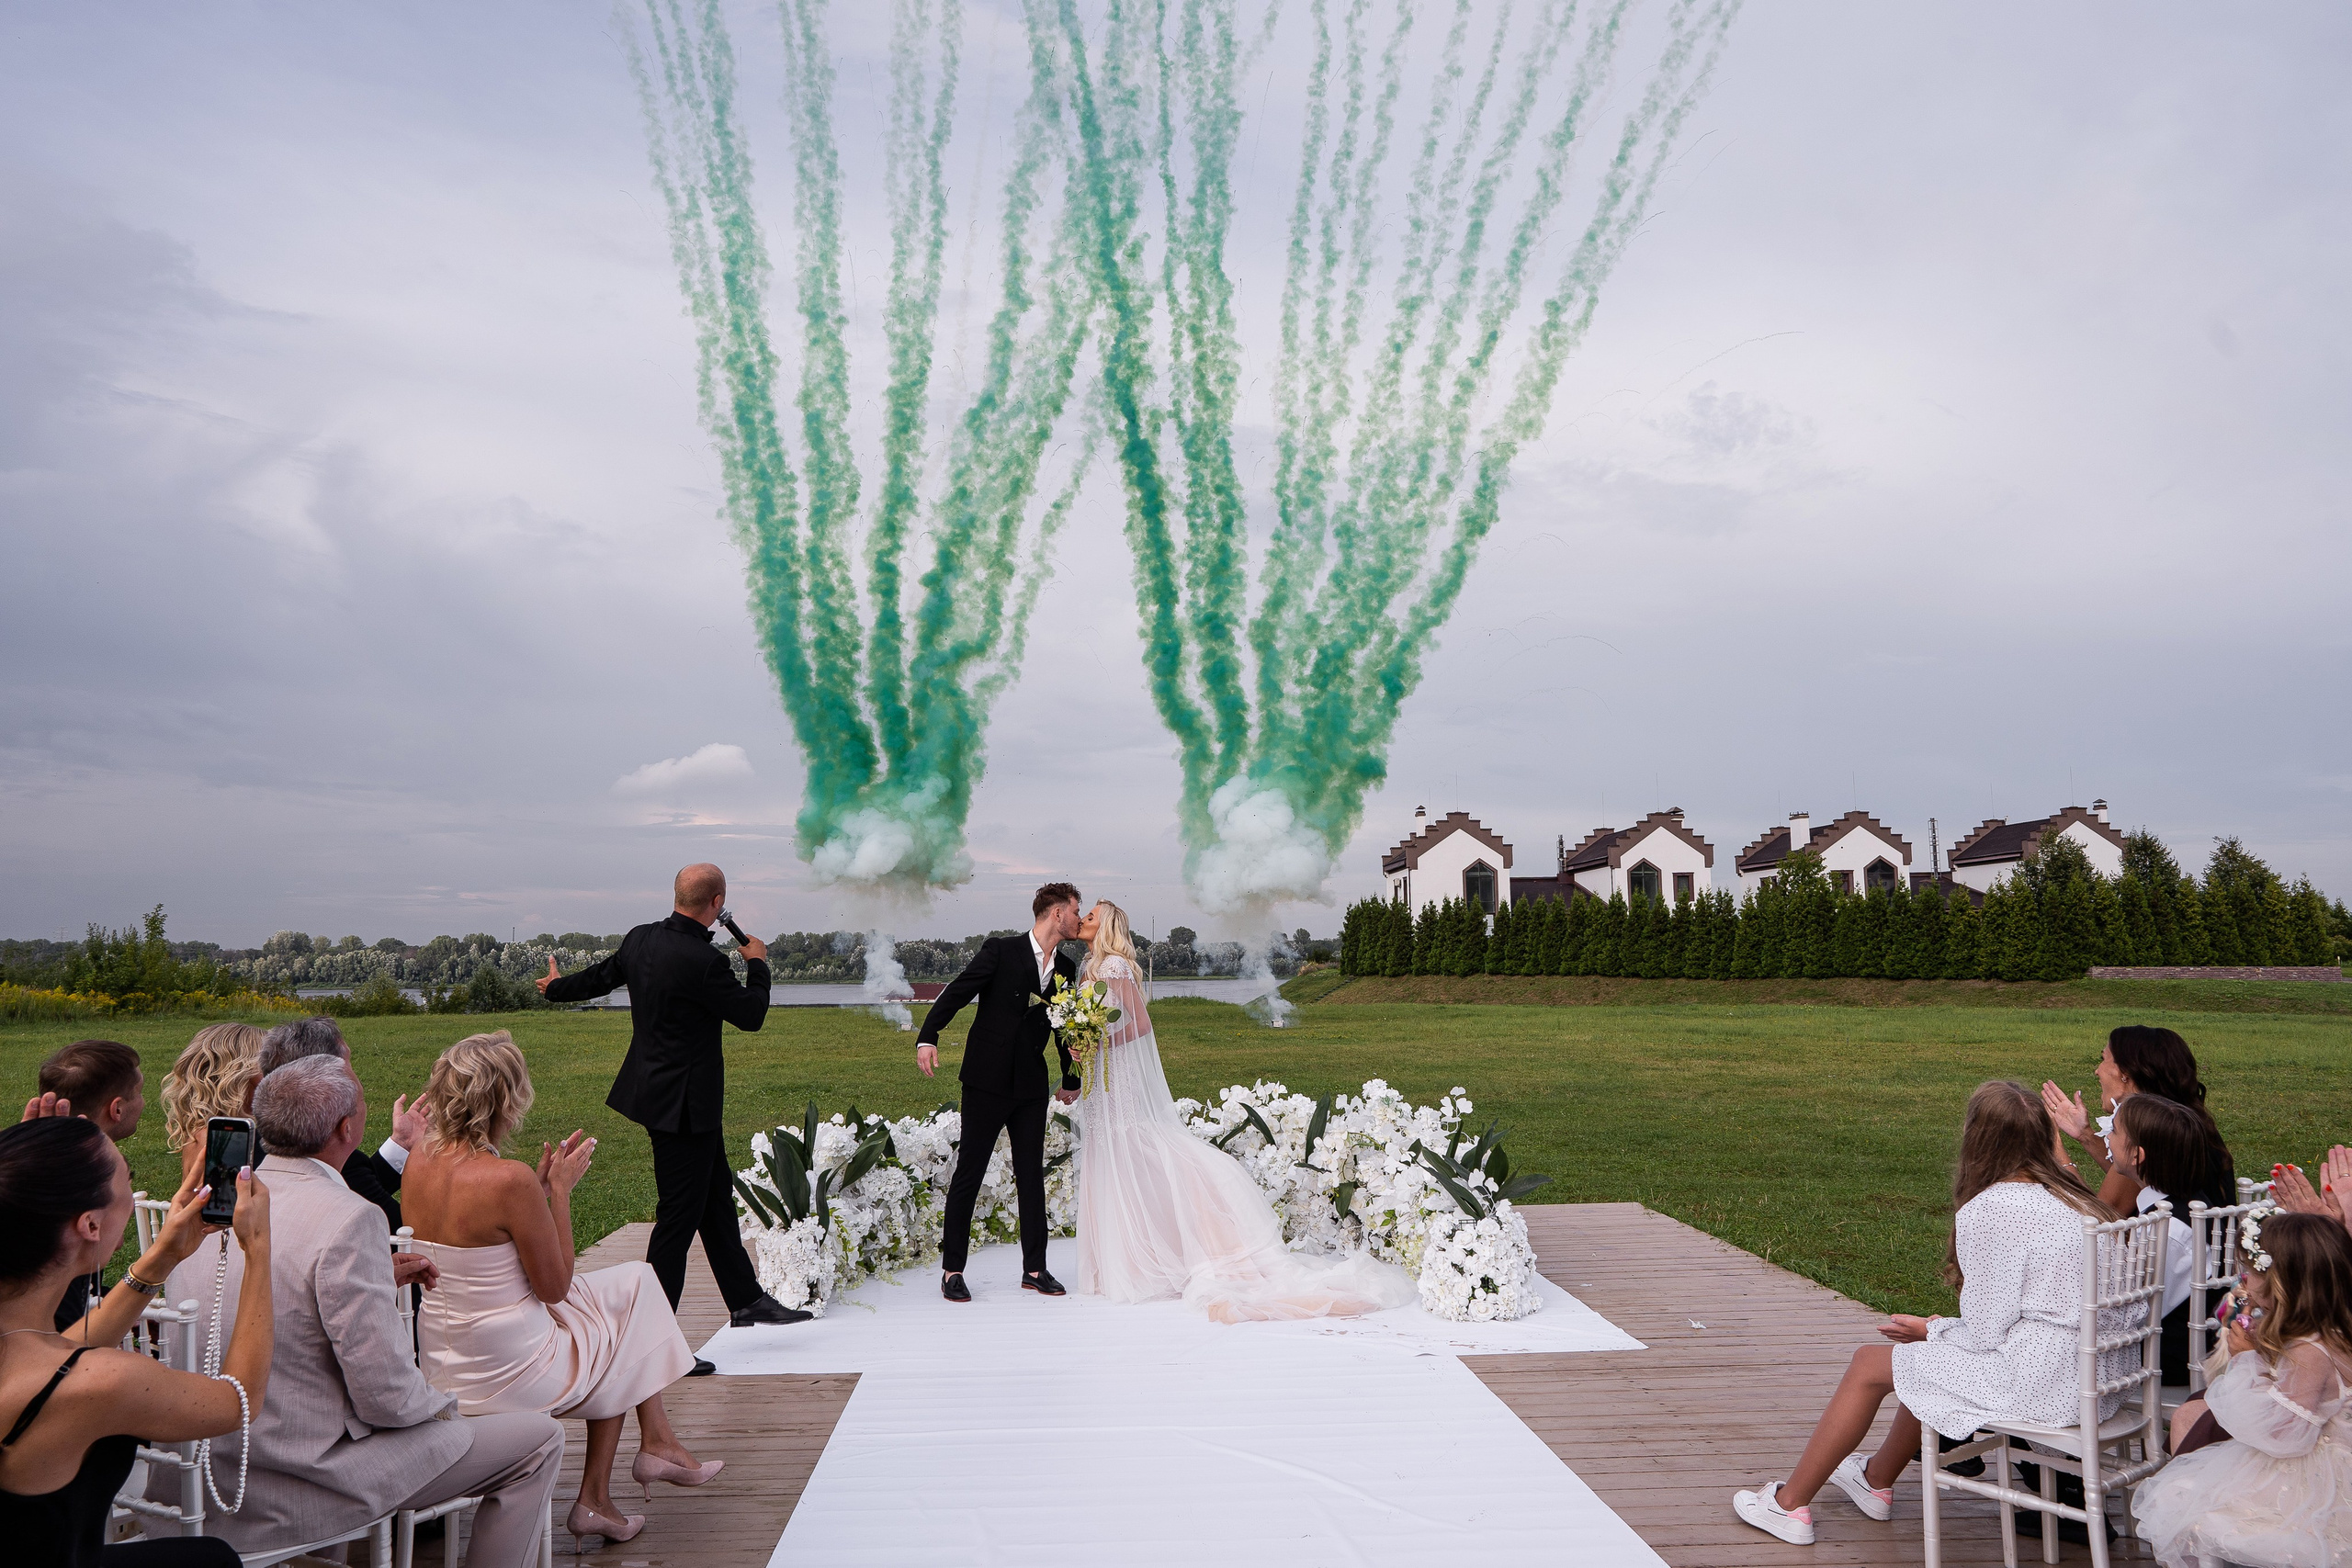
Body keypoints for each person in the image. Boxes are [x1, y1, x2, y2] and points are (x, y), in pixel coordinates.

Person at [176, 1055, 564, 1566]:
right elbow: (386, 1398)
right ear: (347, 1128)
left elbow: (278, 1291)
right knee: (540, 1440)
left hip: (205, 1470)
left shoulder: (216, 1201)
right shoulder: (350, 1219)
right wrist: (446, 1408)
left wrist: (375, 1275)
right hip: (296, 1480)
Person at [1732, 1080, 2126, 1546]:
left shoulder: (1992, 1208)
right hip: (2100, 1379)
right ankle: (1875, 1480)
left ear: (1976, 1139)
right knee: (1928, 1362)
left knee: (1869, 1363)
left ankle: (1788, 1505)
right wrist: (1937, 1336)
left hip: (2044, 1385)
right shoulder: (2078, 1200)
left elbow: (1983, 1336)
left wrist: (1933, 1329)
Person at [401, 1032, 714, 1548]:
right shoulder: (508, 1179)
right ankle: (609, 1485)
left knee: (634, 1282)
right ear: (507, 1098)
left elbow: (483, 1243)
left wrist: (538, 1194)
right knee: (619, 1329)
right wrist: (559, 1195)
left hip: (443, 1361)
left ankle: (644, 1457)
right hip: (510, 1372)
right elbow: (553, 1287)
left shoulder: (420, 1160)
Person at [1070, 901, 1415, 1321]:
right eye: (1083, 914)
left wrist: (1100, 1043)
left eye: (1091, 916)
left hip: (1118, 1075)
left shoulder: (1116, 969)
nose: (1083, 919)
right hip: (1097, 1078)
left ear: (1105, 926)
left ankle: (1168, 1243)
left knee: (1135, 1147)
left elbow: (1140, 1025)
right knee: (1109, 1156)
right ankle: (1118, 1261)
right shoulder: (1090, 966)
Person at [537, 863, 805, 1348]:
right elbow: (751, 1015)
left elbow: (599, 978)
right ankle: (650, 1343)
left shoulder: (641, 939)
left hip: (661, 1099)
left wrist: (556, 987)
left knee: (715, 1198)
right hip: (687, 1109)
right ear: (717, 903)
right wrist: (758, 964)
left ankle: (746, 1299)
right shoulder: (705, 963)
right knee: (678, 1220)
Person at [0, 1114, 268, 1567]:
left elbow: (60, 1359)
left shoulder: (28, 1350)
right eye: (128, 1177)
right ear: (90, 1225)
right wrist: (258, 1249)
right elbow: (238, 1401)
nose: (131, 1186)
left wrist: (161, 1258)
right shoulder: (102, 1384)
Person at [2132, 1211, 2352, 1566]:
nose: (2244, 1282)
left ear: (2282, 1282)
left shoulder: (2311, 1351)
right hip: (2312, 1459)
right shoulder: (2327, 1331)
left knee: (2189, 1505)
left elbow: (2281, 1435)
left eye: (2250, 1273)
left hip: (2308, 1475)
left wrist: (2246, 1361)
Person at [914, 882, 1085, 1302]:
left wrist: (1071, 1076)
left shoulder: (1065, 967)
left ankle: (1035, 1269)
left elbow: (1064, 1027)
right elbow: (958, 990)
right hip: (985, 1081)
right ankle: (952, 1271)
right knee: (969, 1174)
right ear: (1056, 913)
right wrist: (928, 1035)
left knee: (1031, 1178)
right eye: (1076, 910)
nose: (1079, 919)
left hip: (1029, 1085)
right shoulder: (1000, 950)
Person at [254, 1017, 424, 1232]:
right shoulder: (329, 1155)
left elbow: (356, 1186)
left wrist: (402, 1144)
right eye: (348, 1064)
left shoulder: (254, 1147)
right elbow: (404, 1232)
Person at [2041, 1024, 2234, 1213]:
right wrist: (2085, 1135)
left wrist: (2055, 1147)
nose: (2097, 1071)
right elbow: (2134, 1175)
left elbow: (2102, 1218)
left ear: (2125, 1073)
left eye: (2103, 1059)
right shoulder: (2178, 1123)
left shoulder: (2151, 1133)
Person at [26, 1039, 147, 1334]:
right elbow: (63, 1328)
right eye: (140, 1093)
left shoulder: (30, 1167)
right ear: (117, 1109)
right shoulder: (81, 1191)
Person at [2106, 1093, 2204, 1385]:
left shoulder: (2164, 1229)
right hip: (2166, 1349)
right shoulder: (2194, 1204)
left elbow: (2134, 1312)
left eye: (2113, 1131)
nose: (2107, 1137)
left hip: (2164, 1362)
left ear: (2137, 1155)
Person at [160, 1023, 266, 1192]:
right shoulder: (224, 1138)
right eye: (267, 1065)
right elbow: (221, 1209)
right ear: (237, 1075)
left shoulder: (204, 1130)